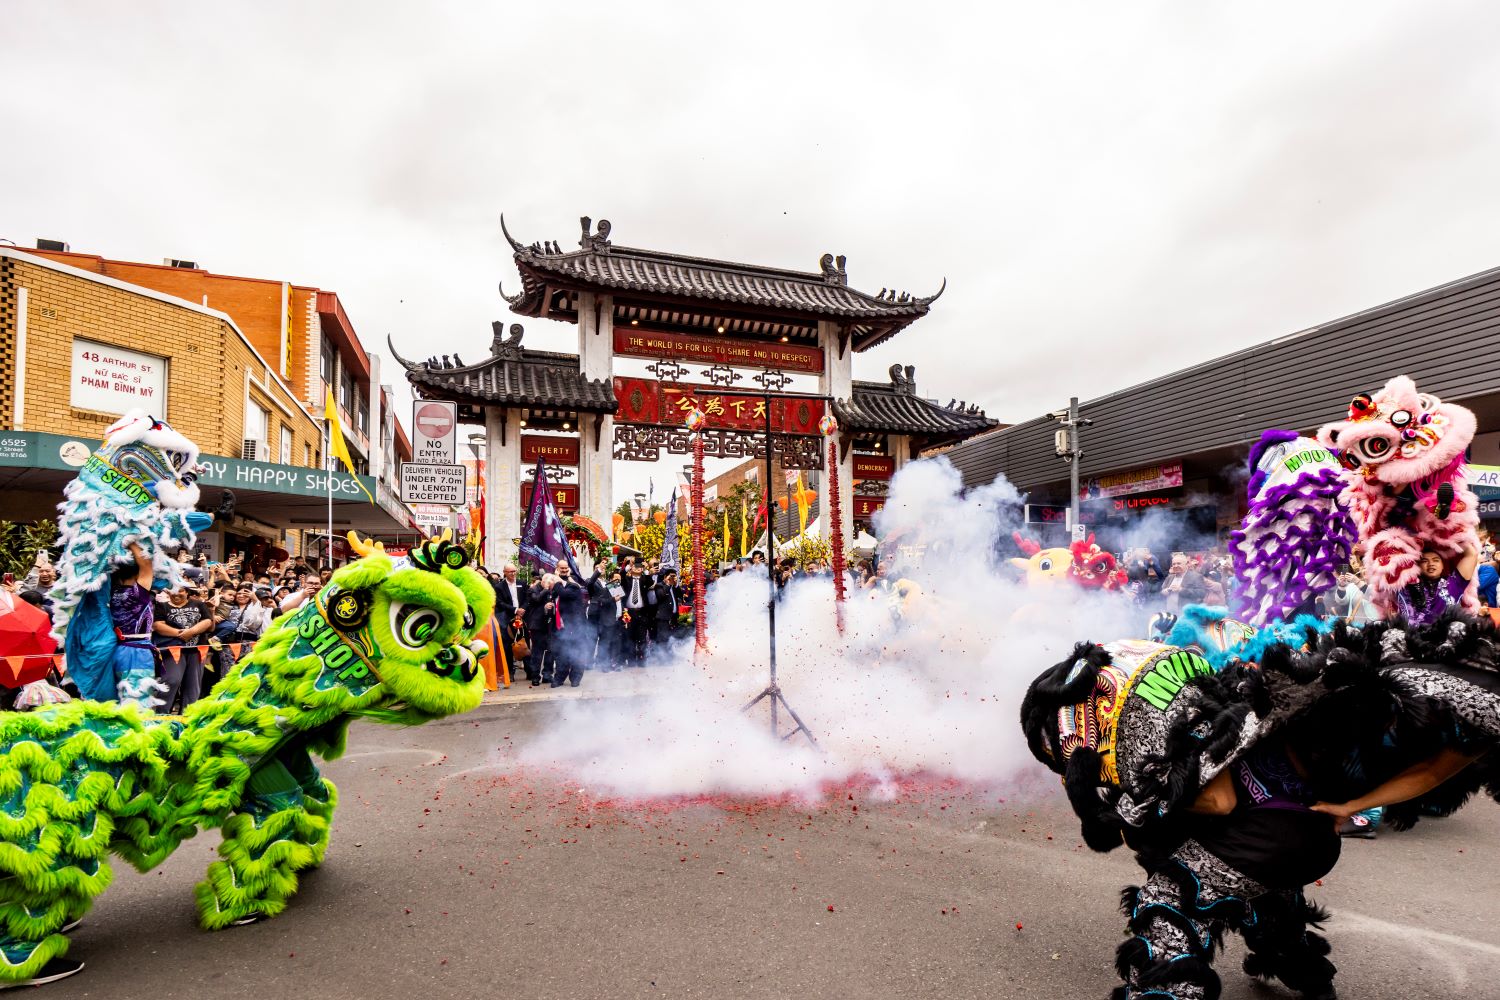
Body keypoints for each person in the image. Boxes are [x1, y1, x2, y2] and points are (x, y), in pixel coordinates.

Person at [107, 542, 159, 705]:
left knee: (118, 701)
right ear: (136, 575)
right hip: (137, 653)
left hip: (117, 651)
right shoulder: (137, 594)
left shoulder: (111, 593)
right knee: (138, 702)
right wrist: (131, 543)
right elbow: (146, 564)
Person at [153, 583, 214, 712]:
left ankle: (187, 716)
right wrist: (181, 634)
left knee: (193, 685)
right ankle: (161, 715)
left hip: (197, 650)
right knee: (171, 680)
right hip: (172, 650)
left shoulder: (198, 604)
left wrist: (191, 632)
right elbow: (158, 626)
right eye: (173, 591)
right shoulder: (161, 606)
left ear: (186, 592)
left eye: (180, 591)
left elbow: (208, 622)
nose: (176, 594)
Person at [1392, 545, 1478, 627]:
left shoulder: (1454, 582)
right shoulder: (1404, 585)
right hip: (1413, 639)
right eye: (1424, 561)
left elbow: (1471, 555)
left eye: (1436, 560)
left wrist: (1455, 533)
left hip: (1447, 638)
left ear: (1443, 565)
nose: (1431, 564)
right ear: (1418, 566)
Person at [548, 562, 590, 688]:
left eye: (566, 568)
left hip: (575, 627)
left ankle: (575, 678)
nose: (564, 570)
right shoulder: (556, 587)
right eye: (562, 568)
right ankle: (559, 678)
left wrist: (556, 580)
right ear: (557, 569)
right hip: (560, 627)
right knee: (561, 654)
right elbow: (554, 599)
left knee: (577, 653)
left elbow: (564, 594)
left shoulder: (573, 585)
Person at [492, 564, 526, 682]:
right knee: (507, 646)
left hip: (521, 618)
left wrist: (521, 610)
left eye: (514, 571)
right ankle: (510, 672)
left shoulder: (522, 583)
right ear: (504, 572)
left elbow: (527, 599)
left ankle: (530, 671)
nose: (513, 573)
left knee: (523, 642)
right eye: (510, 571)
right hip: (506, 619)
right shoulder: (499, 586)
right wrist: (515, 610)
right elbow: (500, 603)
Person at [524, 573, 557, 685]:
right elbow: (536, 599)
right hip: (537, 626)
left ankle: (547, 675)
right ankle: (535, 676)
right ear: (543, 582)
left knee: (550, 651)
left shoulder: (552, 590)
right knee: (537, 652)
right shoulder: (533, 589)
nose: (550, 586)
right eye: (549, 583)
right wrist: (546, 589)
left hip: (550, 625)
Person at [620, 562, 654, 667]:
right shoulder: (627, 580)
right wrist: (628, 567)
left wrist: (647, 572)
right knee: (629, 637)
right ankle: (630, 661)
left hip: (642, 612)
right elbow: (621, 576)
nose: (638, 568)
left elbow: (650, 581)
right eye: (636, 567)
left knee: (642, 638)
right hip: (628, 612)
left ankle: (641, 660)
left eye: (640, 567)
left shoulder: (644, 580)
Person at [653, 569, 686, 646]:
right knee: (662, 639)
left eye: (674, 576)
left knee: (673, 639)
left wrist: (676, 585)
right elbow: (661, 596)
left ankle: (670, 656)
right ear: (665, 577)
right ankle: (660, 656)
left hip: (674, 617)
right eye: (670, 576)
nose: (672, 578)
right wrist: (667, 584)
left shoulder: (674, 587)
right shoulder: (659, 585)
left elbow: (680, 596)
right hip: (663, 618)